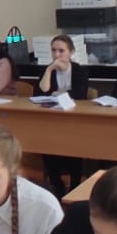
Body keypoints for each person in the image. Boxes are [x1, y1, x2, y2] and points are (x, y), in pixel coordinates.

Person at [34, 34, 90, 195]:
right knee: (45, 142)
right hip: (52, 118)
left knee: (74, 144)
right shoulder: (48, 70)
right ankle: (56, 183)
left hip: (75, 118)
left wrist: (56, 93)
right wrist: (49, 70)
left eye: (61, 51)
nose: (57, 55)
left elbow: (80, 94)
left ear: (71, 52)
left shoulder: (79, 70)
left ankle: (75, 184)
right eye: (53, 50)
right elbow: (41, 92)